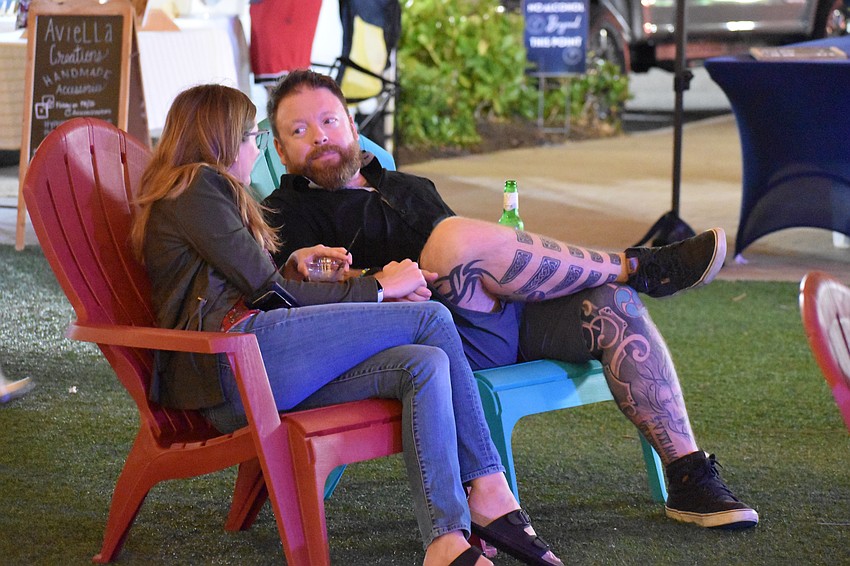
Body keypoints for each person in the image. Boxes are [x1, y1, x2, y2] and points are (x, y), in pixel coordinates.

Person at [262, 69, 759, 530]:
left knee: (612, 305)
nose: (321, 136)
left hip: (506, 315)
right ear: (281, 153)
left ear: (351, 124)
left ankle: (691, 477)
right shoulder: (284, 213)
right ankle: (641, 266)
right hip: (439, 343)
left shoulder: (409, 186)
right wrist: (375, 278)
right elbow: (293, 298)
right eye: (300, 131)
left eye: (328, 120)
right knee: (454, 241)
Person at [130, 83, 564, 566]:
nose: (254, 146)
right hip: (233, 359)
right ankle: (489, 489)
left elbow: (264, 282)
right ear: (220, 139)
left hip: (252, 362)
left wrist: (294, 265)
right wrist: (380, 285)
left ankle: (446, 541)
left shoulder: (199, 192)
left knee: (423, 364)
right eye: (250, 135)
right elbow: (266, 294)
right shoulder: (198, 184)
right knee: (428, 316)